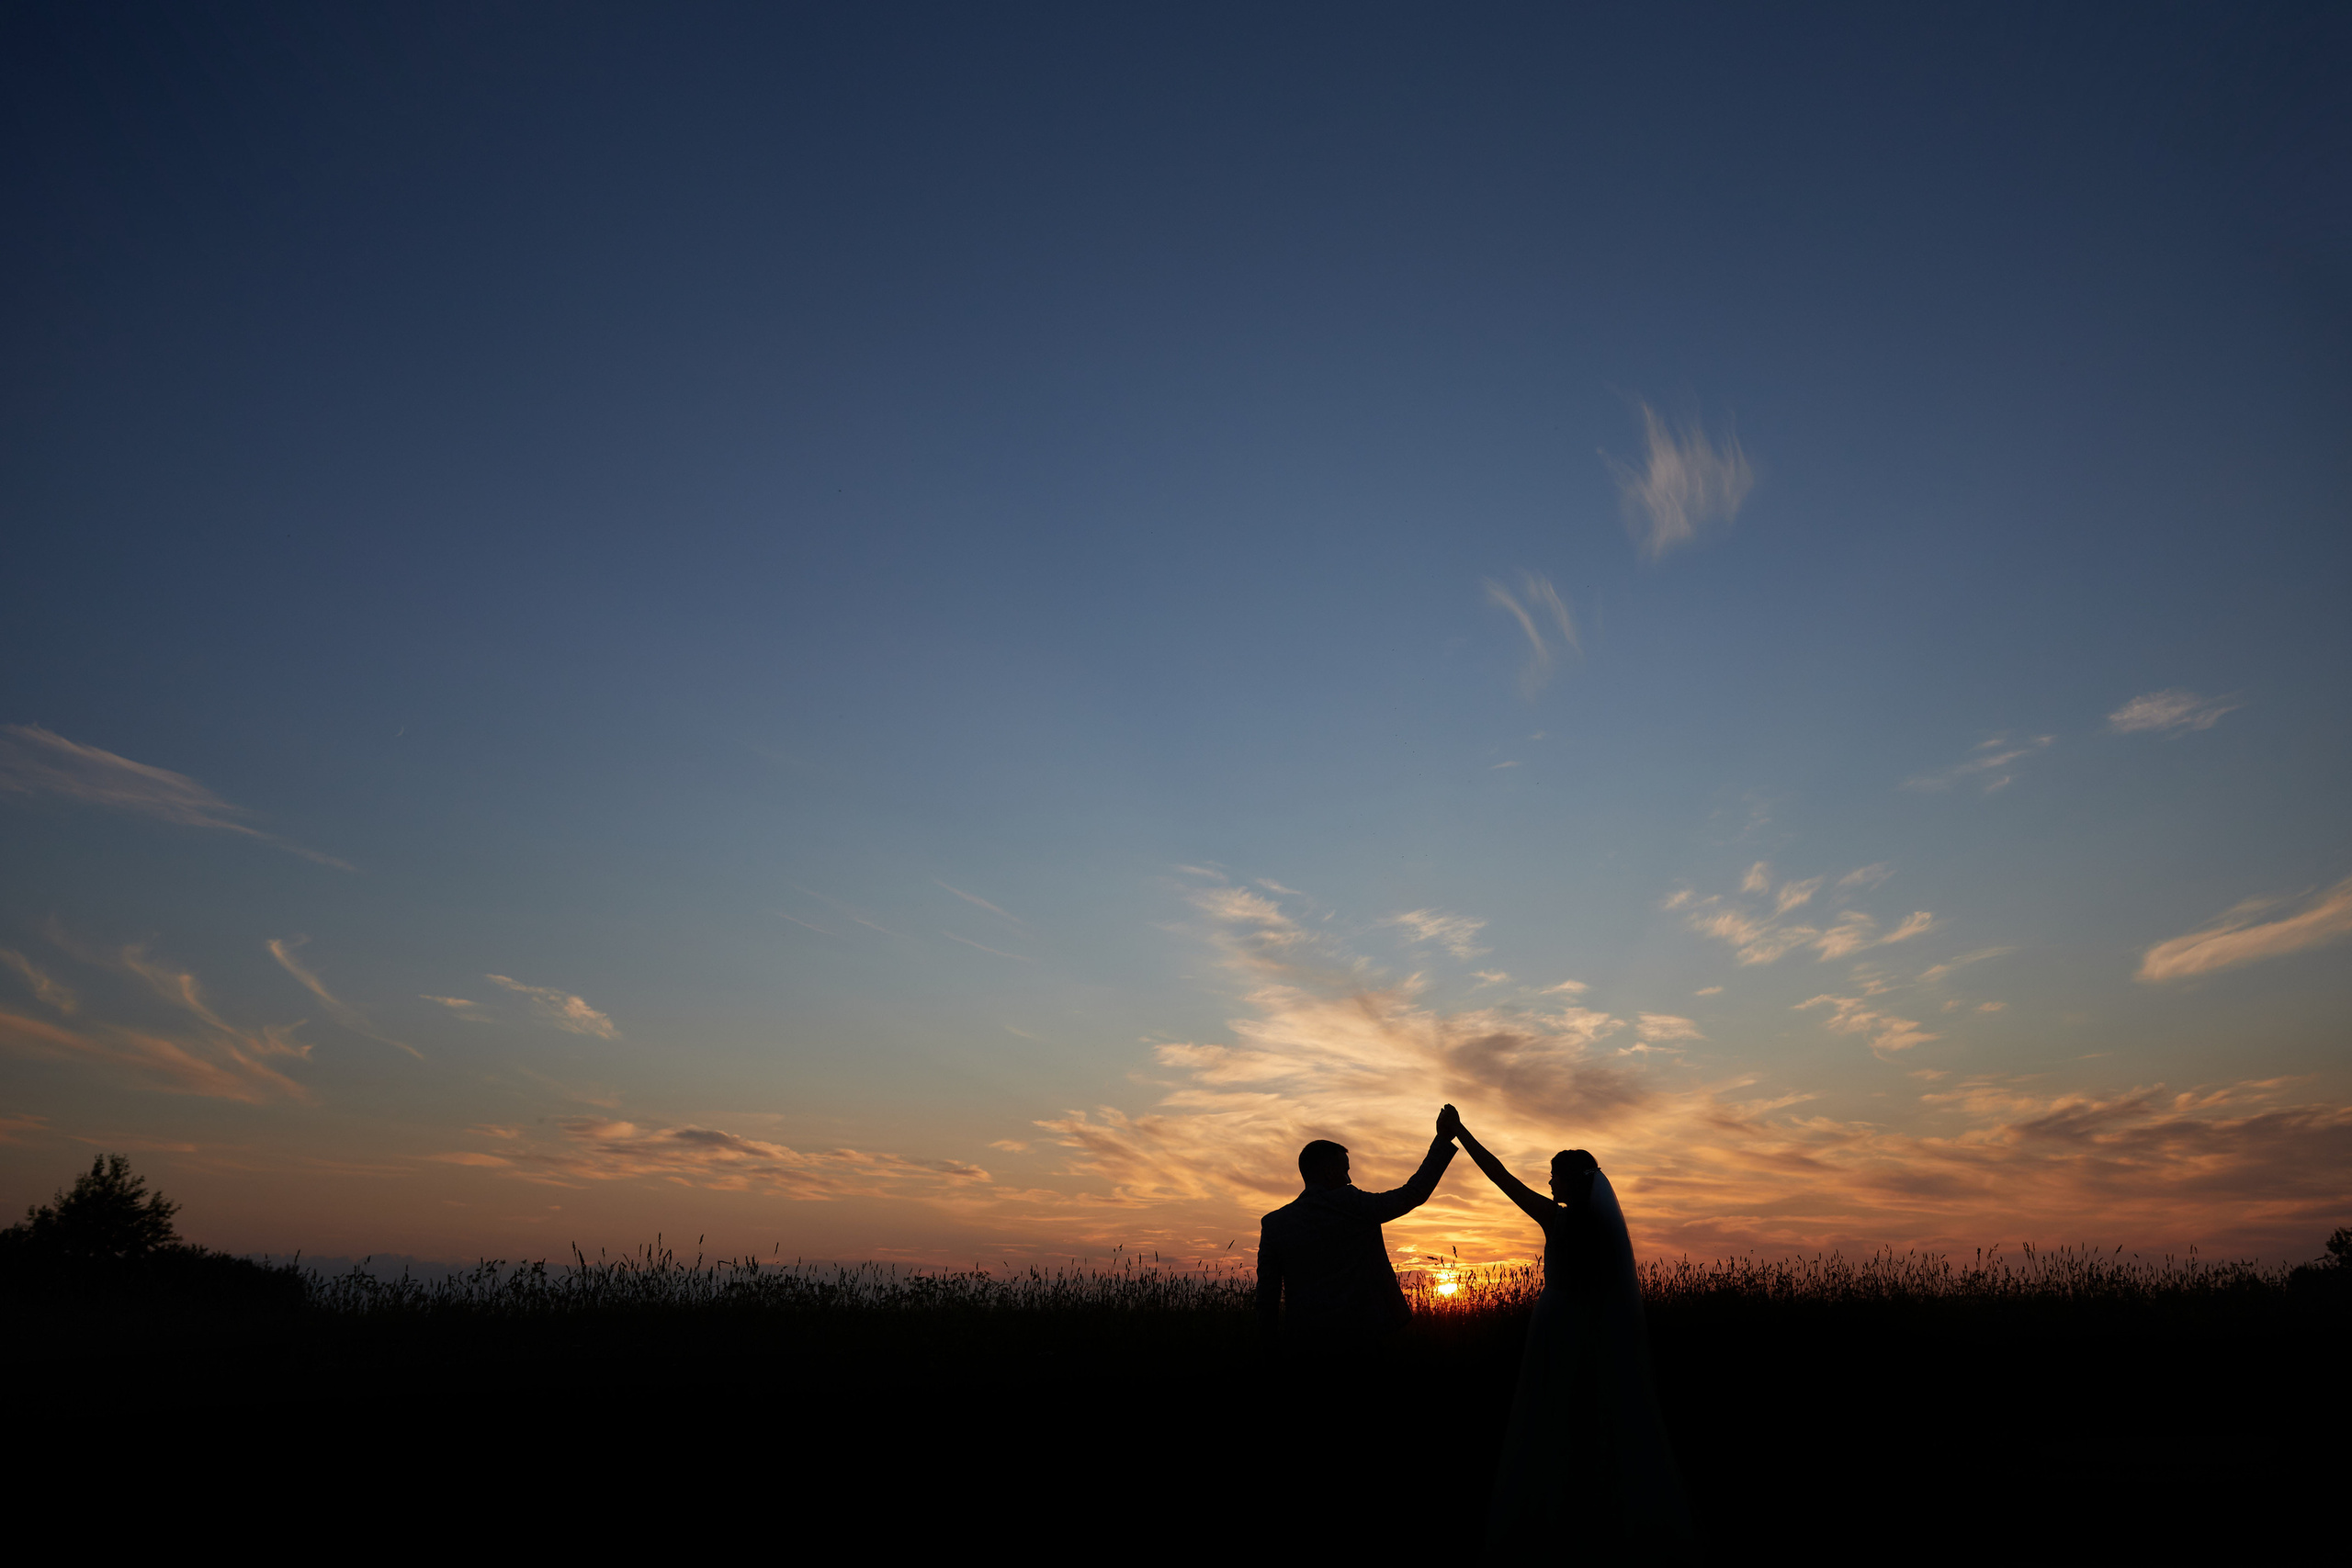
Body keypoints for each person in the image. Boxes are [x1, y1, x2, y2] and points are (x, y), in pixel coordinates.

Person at [1440, 1104, 1697, 1555]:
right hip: (1598, 1330)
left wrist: (1460, 1132)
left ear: (1575, 1179)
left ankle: (1560, 1518)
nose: (1550, 1182)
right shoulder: (1601, 1228)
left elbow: (1502, 1178)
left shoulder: (1556, 1220)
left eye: (1555, 1175)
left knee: (1555, 1415)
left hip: (1559, 1329)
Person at [1256, 1111, 1457, 1351]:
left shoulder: (1274, 1224)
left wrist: (1268, 1353)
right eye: (1345, 1171)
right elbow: (1412, 1193)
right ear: (1329, 1173)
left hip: (1304, 1344)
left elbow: (1266, 1299)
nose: (1349, 1179)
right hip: (1362, 1338)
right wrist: (1443, 1140)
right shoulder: (1353, 1204)